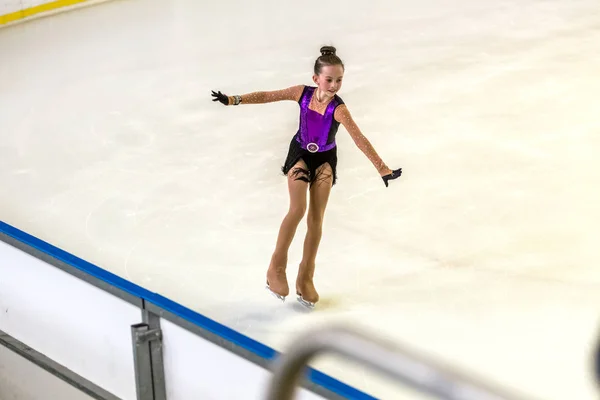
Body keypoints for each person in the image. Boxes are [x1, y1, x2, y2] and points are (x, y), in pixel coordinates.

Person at [211, 46, 402, 309]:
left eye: (339, 80)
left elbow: (359, 139)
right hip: (300, 153)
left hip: (325, 160)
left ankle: (306, 276)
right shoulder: (301, 93)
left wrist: (382, 168)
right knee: (297, 209)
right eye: (329, 79)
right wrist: (234, 99)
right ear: (316, 79)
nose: (334, 85)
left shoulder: (339, 109)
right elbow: (268, 95)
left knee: (316, 219)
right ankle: (276, 268)